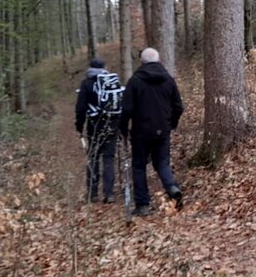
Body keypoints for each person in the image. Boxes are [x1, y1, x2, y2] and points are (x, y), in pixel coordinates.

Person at [120, 48, 184, 216]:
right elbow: (178, 107)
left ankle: (142, 205)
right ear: (159, 60)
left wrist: (123, 131)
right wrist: (171, 124)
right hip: (162, 130)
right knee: (162, 163)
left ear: (142, 62)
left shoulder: (134, 81)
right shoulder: (168, 80)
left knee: (139, 166)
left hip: (140, 132)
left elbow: (126, 110)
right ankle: (172, 187)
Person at [75, 58, 124, 203]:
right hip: (113, 124)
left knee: (94, 157)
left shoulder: (86, 84)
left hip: (94, 126)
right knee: (109, 158)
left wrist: (79, 125)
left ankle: (93, 193)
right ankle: (109, 194)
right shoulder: (112, 83)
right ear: (104, 67)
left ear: (90, 68)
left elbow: (81, 108)